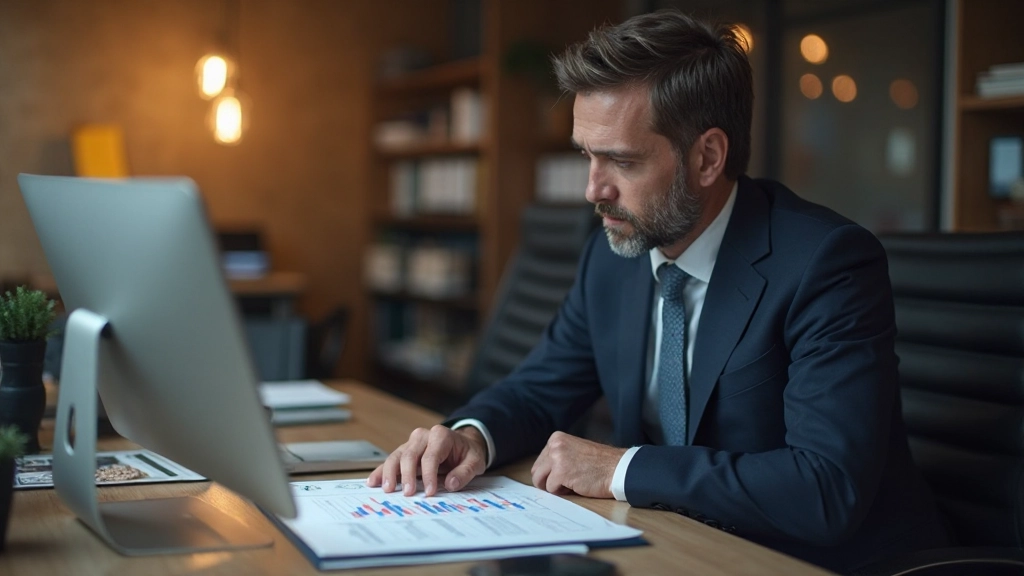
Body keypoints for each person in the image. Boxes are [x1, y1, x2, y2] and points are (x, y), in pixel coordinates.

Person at [368, 9, 949, 573]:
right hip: (676, 546)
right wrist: (473, 436)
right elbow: (542, 388)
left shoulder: (826, 264)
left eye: (620, 161)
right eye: (587, 156)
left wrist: (623, 469)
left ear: (707, 157)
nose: (594, 189)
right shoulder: (614, 252)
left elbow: (825, 489)